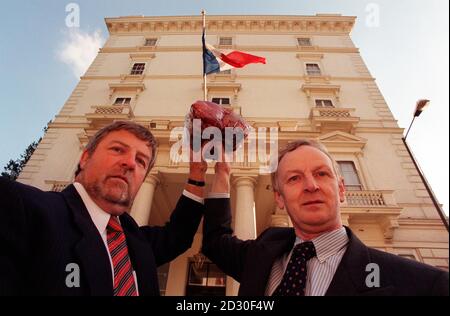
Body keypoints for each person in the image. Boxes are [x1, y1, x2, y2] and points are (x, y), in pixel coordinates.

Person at [202, 139, 449, 296]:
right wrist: (222, 173)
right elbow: (215, 241)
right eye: (294, 178)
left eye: (321, 174)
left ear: (341, 189)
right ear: (279, 198)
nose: (311, 186)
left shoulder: (426, 285)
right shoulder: (261, 255)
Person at [0, 121, 207, 296]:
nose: (130, 163)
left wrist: (197, 172)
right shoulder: (18, 207)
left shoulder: (135, 240)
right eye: (118, 149)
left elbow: (178, 235)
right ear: (85, 157)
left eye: (141, 161)